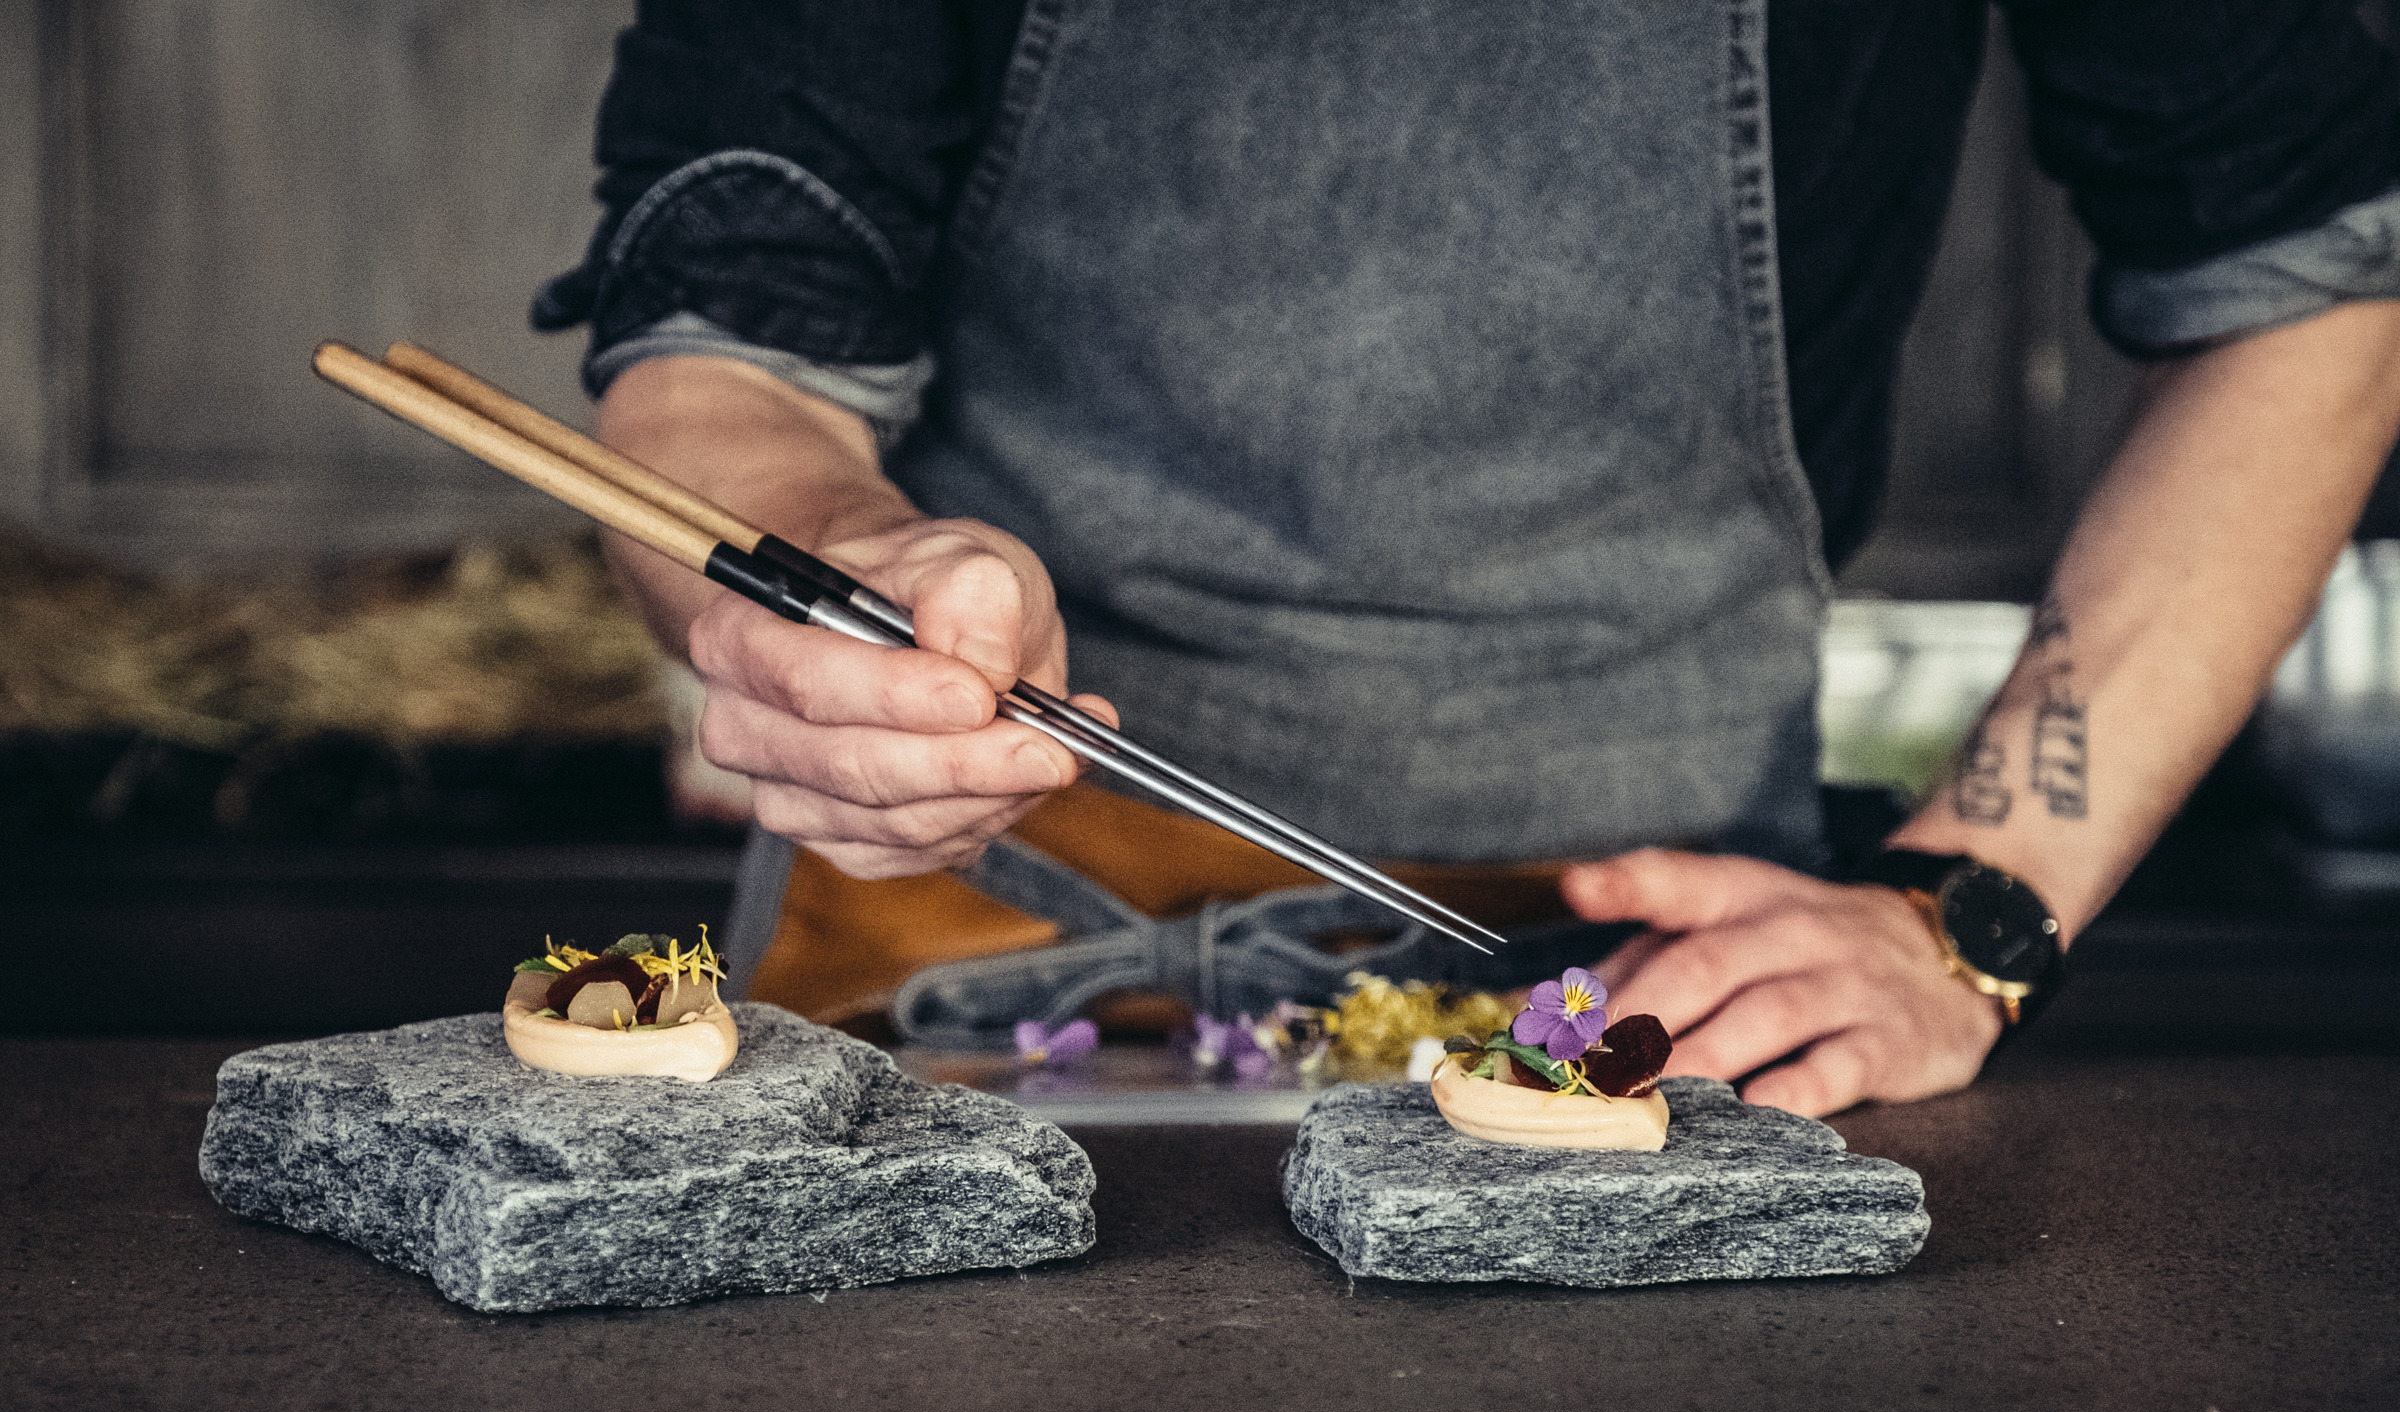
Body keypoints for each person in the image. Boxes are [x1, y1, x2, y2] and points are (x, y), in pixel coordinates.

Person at [536, 0, 2400, 1115]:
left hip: (1653, 1002)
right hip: (934, 941)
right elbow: (725, 351)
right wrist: (851, 577)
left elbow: (2324, 281)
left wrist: (1979, 905)